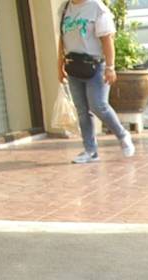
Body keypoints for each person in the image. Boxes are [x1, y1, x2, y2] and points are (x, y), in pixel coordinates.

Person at [57, 0, 135, 164]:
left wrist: (110, 67)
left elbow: (107, 40)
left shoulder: (97, 8)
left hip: (95, 66)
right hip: (73, 66)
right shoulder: (65, 8)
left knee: (98, 105)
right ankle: (90, 150)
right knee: (82, 110)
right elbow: (61, 40)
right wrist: (59, 65)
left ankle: (122, 134)